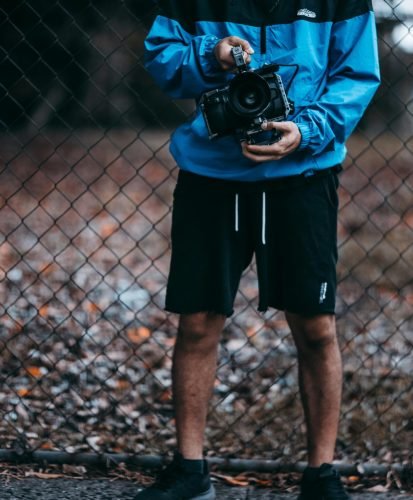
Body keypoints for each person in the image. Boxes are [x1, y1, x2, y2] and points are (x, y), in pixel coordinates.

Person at [136, 1, 380, 499]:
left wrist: (306, 129)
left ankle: (321, 475)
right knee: (198, 320)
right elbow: (162, 59)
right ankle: (189, 469)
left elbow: (357, 74)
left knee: (315, 327)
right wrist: (212, 54)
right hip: (211, 175)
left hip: (304, 176)